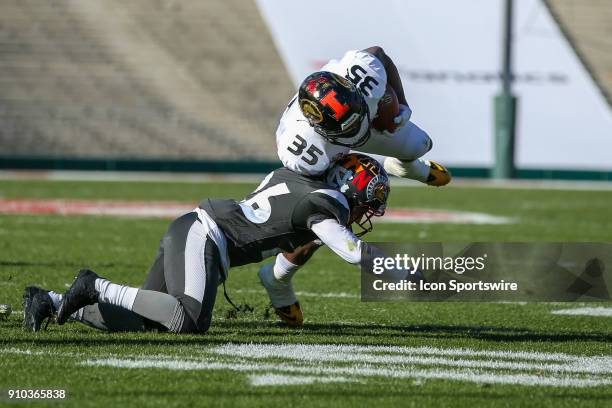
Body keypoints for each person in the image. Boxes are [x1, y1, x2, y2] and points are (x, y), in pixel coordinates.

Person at [22, 154, 394, 333]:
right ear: (351, 188)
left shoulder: (301, 183)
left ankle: (50, 301)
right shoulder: (326, 205)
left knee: (145, 322)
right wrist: (413, 272)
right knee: (188, 320)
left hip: (196, 233)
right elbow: (353, 252)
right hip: (205, 236)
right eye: (368, 201)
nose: (365, 212)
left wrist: (282, 297)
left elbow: (286, 257)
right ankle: (93, 285)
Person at [276, 46, 451, 186]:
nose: (356, 128)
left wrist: (402, 103)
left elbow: (378, 53)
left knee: (420, 144)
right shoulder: (301, 147)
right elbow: (307, 191)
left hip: (356, 122)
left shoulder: (360, 73)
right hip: (328, 144)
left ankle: (409, 169)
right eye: (348, 128)